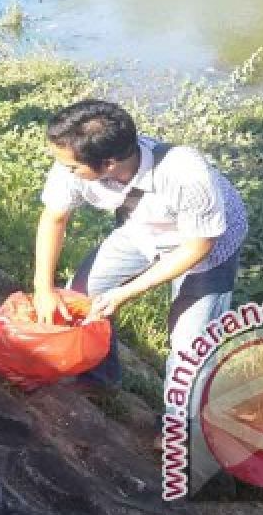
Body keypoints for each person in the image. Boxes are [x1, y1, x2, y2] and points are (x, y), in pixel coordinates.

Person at [31, 99, 248, 393]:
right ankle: (99, 379)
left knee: (191, 343)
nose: (64, 171)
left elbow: (198, 245)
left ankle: (181, 428)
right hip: (140, 228)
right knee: (80, 298)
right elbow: (54, 218)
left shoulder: (184, 173)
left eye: (72, 167)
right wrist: (43, 289)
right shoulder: (72, 163)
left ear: (108, 163)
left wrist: (128, 291)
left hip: (205, 246)